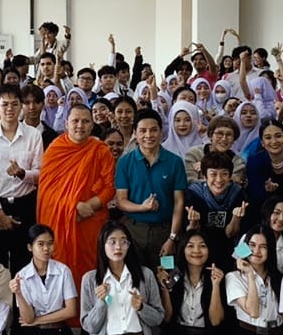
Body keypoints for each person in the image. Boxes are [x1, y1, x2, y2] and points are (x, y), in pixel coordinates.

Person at [37, 104, 116, 284]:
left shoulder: (101, 150)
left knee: (91, 269)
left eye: (85, 121)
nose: (80, 126)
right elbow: (46, 193)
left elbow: (110, 188)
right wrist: (73, 206)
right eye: (75, 121)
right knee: (62, 271)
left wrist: (89, 206)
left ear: (92, 125)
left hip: (91, 221)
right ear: (66, 123)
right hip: (60, 223)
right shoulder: (55, 150)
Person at [0, 86, 44, 272]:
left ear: (21, 107)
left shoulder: (33, 135)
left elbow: (40, 174)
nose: (9, 109)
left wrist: (22, 173)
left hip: (26, 204)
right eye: (4, 104)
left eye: (15, 104)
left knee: (25, 261)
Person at [115, 108, 188, 265]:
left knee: (166, 272)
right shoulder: (125, 162)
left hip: (165, 231)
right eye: (143, 131)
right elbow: (121, 201)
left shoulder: (175, 162)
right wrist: (142, 207)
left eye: (154, 130)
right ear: (135, 133)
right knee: (135, 274)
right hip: (133, 231)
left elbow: (179, 202)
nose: (148, 135)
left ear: (161, 132)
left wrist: (172, 238)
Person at [184, 151, 248, 271]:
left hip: (229, 250)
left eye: (224, 174)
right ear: (205, 176)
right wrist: (193, 222)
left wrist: (236, 218)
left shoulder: (238, 193)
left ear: (230, 176)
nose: (219, 179)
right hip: (201, 250)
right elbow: (189, 234)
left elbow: (231, 234)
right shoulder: (194, 193)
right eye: (213, 174)